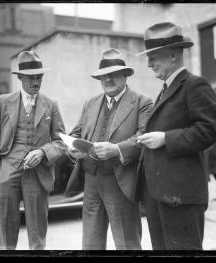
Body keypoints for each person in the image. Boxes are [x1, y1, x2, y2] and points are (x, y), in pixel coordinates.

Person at [136, 22, 216, 250]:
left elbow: (209, 130)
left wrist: (165, 138)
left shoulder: (195, 85)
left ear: (173, 55)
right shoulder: (167, 87)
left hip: (181, 196)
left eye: (154, 57)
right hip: (161, 195)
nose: (149, 64)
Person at [0, 50, 66, 249]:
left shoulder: (51, 105)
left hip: (37, 174)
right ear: (20, 78)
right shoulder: (3, 102)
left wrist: (43, 152)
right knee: (5, 235)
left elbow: (61, 142)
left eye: (39, 78)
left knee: (37, 235)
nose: (36, 83)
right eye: (31, 78)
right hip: (7, 171)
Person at [69, 48, 153, 250]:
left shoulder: (142, 102)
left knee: (126, 243)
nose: (108, 80)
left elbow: (144, 137)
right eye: (103, 76)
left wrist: (117, 149)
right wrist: (73, 149)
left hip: (121, 182)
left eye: (114, 75)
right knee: (91, 243)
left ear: (125, 75)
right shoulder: (90, 103)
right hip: (91, 182)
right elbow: (75, 134)